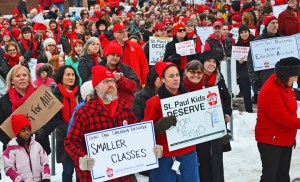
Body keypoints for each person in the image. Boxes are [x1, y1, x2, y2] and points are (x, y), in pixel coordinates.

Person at [64, 65, 158, 182]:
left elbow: (137, 135)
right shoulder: (84, 112)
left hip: (122, 175)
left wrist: (150, 148)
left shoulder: (124, 108)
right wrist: (82, 157)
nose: (111, 85)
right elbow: (71, 142)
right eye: (106, 81)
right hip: (95, 175)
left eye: (113, 81)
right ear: (96, 86)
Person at [142, 62, 200, 181]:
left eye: (177, 75)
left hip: (188, 153)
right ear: (162, 79)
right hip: (165, 156)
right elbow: (144, 131)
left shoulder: (190, 98)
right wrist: (158, 127)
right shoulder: (154, 102)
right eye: (171, 76)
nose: (175, 79)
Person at [255, 57, 300, 182]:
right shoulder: (271, 90)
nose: (296, 79)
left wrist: (291, 136)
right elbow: (283, 117)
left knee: (283, 176)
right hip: (271, 141)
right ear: (285, 75)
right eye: (294, 76)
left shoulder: (285, 86)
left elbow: (291, 112)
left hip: (285, 139)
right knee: (270, 177)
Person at [200, 50, 232, 182]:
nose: (211, 64)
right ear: (202, 63)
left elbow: (226, 97)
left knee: (217, 157)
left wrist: (227, 112)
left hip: (217, 122)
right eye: (208, 61)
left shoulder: (219, 78)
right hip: (201, 125)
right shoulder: (196, 77)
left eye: (214, 62)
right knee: (204, 157)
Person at [3, 114, 51, 182]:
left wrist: (46, 177)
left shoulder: (37, 145)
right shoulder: (11, 149)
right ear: (17, 132)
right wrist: (19, 180)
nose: (27, 132)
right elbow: (8, 168)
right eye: (23, 130)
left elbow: (45, 162)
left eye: (28, 129)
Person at [53, 65, 81, 182]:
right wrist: (69, 129)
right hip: (64, 136)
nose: (71, 77)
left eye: (73, 74)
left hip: (80, 138)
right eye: (68, 75)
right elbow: (55, 118)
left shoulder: (80, 93)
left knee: (81, 170)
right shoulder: (56, 95)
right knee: (68, 170)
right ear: (61, 77)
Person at [247, 15, 280, 103]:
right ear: (266, 25)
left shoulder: (282, 40)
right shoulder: (257, 42)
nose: (275, 25)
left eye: (277, 23)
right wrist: (254, 80)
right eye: (272, 23)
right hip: (264, 80)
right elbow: (250, 64)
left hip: (281, 80)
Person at [108, 22, 149, 86]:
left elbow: (143, 65)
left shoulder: (136, 46)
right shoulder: (109, 47)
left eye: (125, 31)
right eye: (121, 32)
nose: (124, 33)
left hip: (135, 84)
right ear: (115, 34)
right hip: (117, 84)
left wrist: (144, 83)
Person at [100, 43, 140, 108]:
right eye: (113, 55)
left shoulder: (126, 68)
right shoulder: (99, 69)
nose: (115, 58)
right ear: (107, 55)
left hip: (125, 106)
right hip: (105, 106)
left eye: (118, 56)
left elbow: (135, 86)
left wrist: (120, 80)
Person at [235, 24, 255, 113]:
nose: (244, 34)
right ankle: (249, 111)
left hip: (255, 71)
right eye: (242, 33)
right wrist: (239, 62)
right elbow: (235, 61)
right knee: (247, 94)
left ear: (249, 32)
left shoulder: (255, 42)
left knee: (259, 91)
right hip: (244, 72)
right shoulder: (237, 45)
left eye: (245, 32)